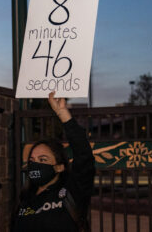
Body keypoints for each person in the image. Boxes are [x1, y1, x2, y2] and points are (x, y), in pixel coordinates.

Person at [13, 92, 95, 232]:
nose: (35, 164)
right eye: (32, 160)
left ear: (59, 167)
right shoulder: (25, 199)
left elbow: (84, 155)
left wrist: (63, 114)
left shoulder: (72, 192)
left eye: (43, 159)